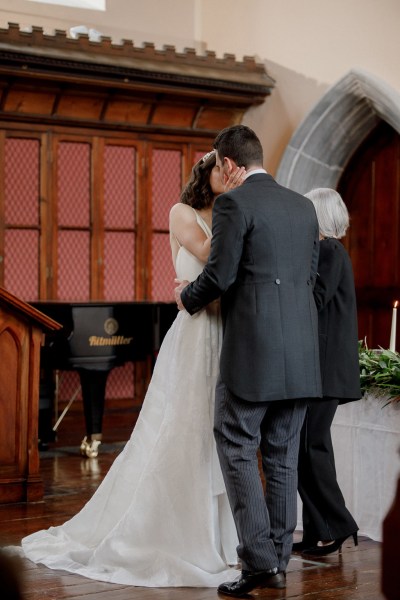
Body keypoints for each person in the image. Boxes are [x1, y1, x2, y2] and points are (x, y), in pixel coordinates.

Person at [15, 151, 245, 588]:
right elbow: (217, 257)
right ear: (207, 172)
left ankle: (225, 535)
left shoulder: (230, 213)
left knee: (220, 431)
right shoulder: (183, 213)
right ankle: (175, 532)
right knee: (184, 428)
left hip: (226, 334)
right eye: (222, 169)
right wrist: (237, 210)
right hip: (196, 336)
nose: (229, 176)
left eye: (233, 170)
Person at [175, 124, 322, 596]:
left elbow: (219, 275)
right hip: (301, 354)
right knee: (281, 457)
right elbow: (310, 280)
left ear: (230, 166)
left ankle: (259, 562)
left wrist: (187, 299)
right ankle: (277, 556)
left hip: (252, 352)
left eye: (219, 165)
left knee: (236, 445)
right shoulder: (303, 206)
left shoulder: (234, 204)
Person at [293, 188, 361, 556]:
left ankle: (340, 525)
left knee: (311, 449)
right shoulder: (326, 253)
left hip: (325, 370)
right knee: (307, 450)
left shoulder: (331, 250)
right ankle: (315, 530)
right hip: (320, 369)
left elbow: (315, 301)